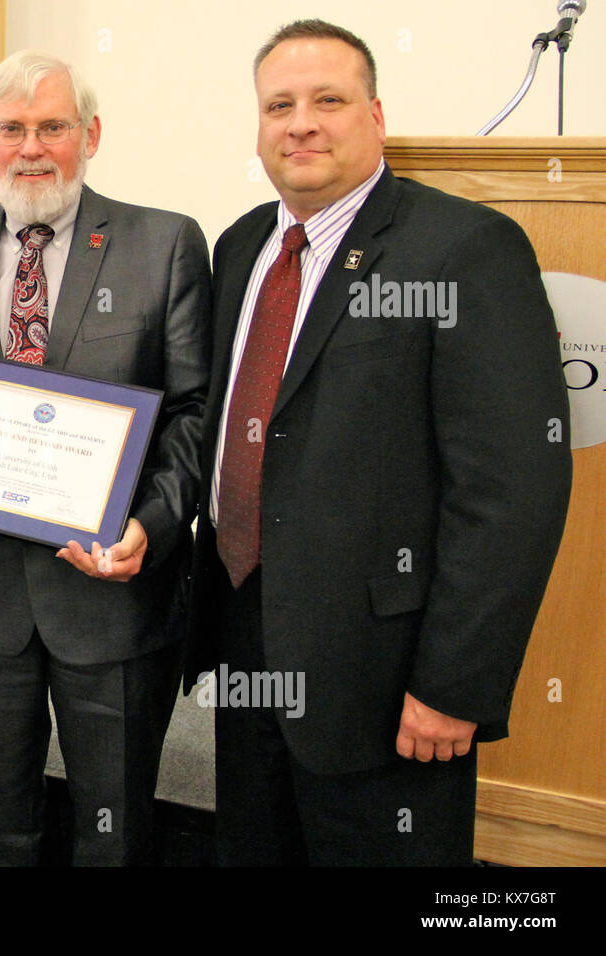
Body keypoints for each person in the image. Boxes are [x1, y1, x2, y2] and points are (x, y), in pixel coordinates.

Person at [185, 19, 572, 865]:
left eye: (330, 100)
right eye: (279, 104)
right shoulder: (243, 244)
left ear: (377, 117)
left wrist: (454, 686)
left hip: (386, 679)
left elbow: (511, 494)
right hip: (247, 641)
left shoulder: (466, 250)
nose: (301, 123)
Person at [0, 50, 211, 866]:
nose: (32, 147)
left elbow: (195, 413)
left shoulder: (164, 243)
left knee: (117, 830)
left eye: (53, 127)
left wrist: (151, 524)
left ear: (90, 134)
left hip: (115, 592)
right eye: (12, 129)